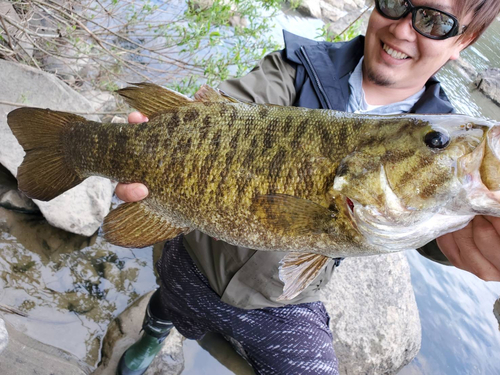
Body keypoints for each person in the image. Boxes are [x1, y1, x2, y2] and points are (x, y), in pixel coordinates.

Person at [115, 1, 500, 374]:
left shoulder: (448, 132)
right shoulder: (294, 66)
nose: (401, 29)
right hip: (196, 257)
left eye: (434, 21)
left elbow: (435, 234)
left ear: (465, 40)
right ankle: (153, 333)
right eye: (394, 3)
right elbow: (238, 106)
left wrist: (463, 241)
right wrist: (179, 137)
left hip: (280, 300)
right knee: (169, 302)